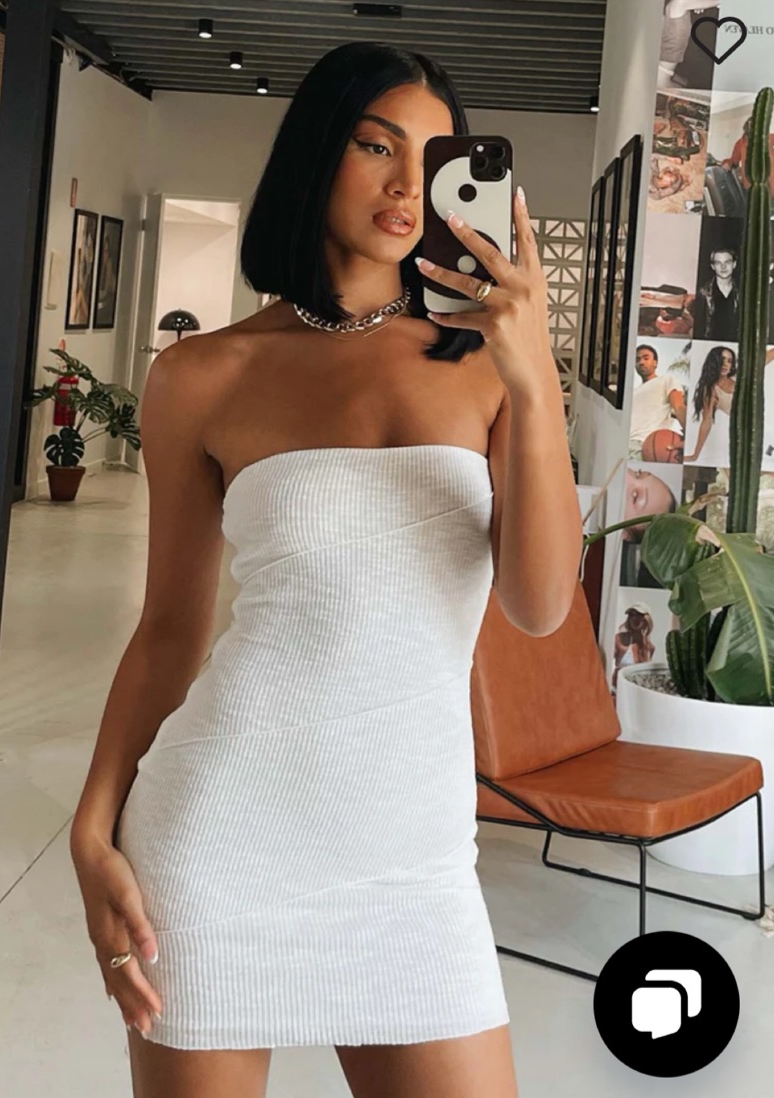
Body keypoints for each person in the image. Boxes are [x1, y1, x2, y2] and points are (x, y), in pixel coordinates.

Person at [68, 42, 582, 1098]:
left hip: (414, 863)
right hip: (221, 842)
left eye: (433, 159)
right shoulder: (203, 374)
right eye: (374, 145)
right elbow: (170, 627)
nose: (406, 186)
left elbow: (538, 606)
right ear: (317, 153)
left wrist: (534, 377)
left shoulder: (491, 368)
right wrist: (91, 825)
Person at [629, 344, 687, 459]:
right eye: (637, 359)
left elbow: (679, 407)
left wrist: (691, 440)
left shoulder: (666, 380)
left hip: (642, 445)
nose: (641, 362)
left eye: (646, 358)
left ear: (655, 363)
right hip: (623, 443)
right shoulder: (633, 392)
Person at [682, 345, 737, 465]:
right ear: (713, 361)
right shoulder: (711, 390)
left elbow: (761, 361)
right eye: (722, 360)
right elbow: (706, 421)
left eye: (729, 361)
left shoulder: (738, 377)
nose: (725, 364)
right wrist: (695, 455)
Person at [693, 247, 739, 341]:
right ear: (713, 266)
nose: (723, 267)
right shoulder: (703, 293)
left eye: (727, 262)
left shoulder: (742, 293)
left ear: (734, 264)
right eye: (718, 263)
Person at [612, 605, 656, 690]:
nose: (635, 618)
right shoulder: (620, 640)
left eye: (639, 615)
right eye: (631, 615)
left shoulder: (649, 648)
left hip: (637, 691)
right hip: (618, 689)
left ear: (646, 619)